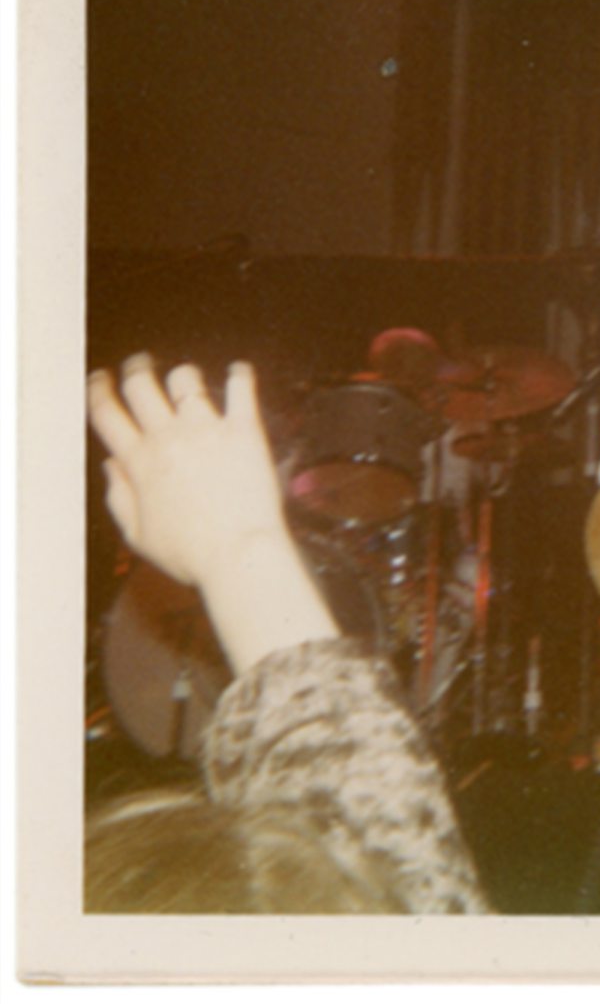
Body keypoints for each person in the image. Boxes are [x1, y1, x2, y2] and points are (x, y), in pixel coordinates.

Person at [85, 353, 489, 913]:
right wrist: (244, 545)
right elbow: (397, 863)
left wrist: (233, 541)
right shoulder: (292, 457)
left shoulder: (455, 443)